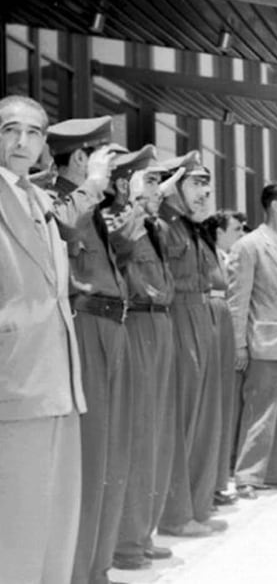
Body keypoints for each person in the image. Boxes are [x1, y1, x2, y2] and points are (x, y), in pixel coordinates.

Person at [0, 96, 109, 584]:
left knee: (54, 522)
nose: (21, 142)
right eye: (10, 129)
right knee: (17, 523)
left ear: (45, 144)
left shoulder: (39, 200)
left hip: (59, 380)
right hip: (15, 379)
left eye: (33, 133)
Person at [47, 115, 137, 584]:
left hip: (110, 323)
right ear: (81, 157)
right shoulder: (56, 198)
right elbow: (58, 231)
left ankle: (97, 563)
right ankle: (78, 568)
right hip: (86, 325)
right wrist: (95, 188)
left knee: (111, 451)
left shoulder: (91, 205)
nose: (110, 171)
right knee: (91, 452)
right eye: (103, 158)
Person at [109, 148, 180, 571]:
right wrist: (138, 204)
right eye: (150, 180)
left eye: (160, 182)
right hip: (137, 324)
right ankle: (128, 541)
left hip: (159, 324)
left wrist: (151, 199)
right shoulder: (120, 222)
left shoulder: (151, 224)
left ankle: (142, 532)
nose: (160, 188)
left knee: (155, 435)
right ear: (124, 185)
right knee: (138, 435)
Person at [157, 152, 227, 538]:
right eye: (197, 183)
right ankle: (175, 515)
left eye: (207, 184)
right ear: (174, 186)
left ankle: (197, 508)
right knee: (183, 421)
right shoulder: (166, 226)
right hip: (179, 317)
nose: (206, 192)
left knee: (204, 422)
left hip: (203, 319)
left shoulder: (192, 228)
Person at [229, 183, 277, 492]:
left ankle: (276, 470)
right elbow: (238, 300)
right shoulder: (249, 245)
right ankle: (248, 475)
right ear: (275, 206)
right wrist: (239, 344)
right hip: (263, 342)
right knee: (259, 411)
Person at [204, 209, 249, 502]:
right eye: (235, 229)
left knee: (226, 408)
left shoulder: (226, 258)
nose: (241, 235)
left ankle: (220, 478)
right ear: (218, 232)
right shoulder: (209, 258)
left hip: (224, 333)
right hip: (213, 329)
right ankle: (211, 483)